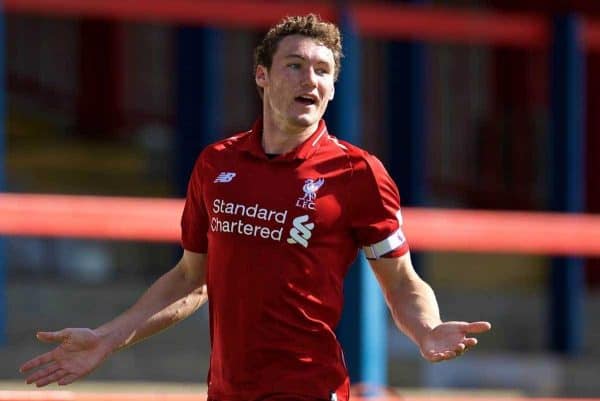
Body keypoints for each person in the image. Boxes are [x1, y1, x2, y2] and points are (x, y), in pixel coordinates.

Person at [19, 14, 491, 401]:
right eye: (296, 66)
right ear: (262, 76)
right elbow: (189, 279)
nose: (312, 80)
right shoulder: (215, 163)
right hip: (225, 392)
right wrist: (106, 338)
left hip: (309, 389)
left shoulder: (358, 174)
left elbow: (402, 282)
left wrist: (427, 330)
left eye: (324, 71)